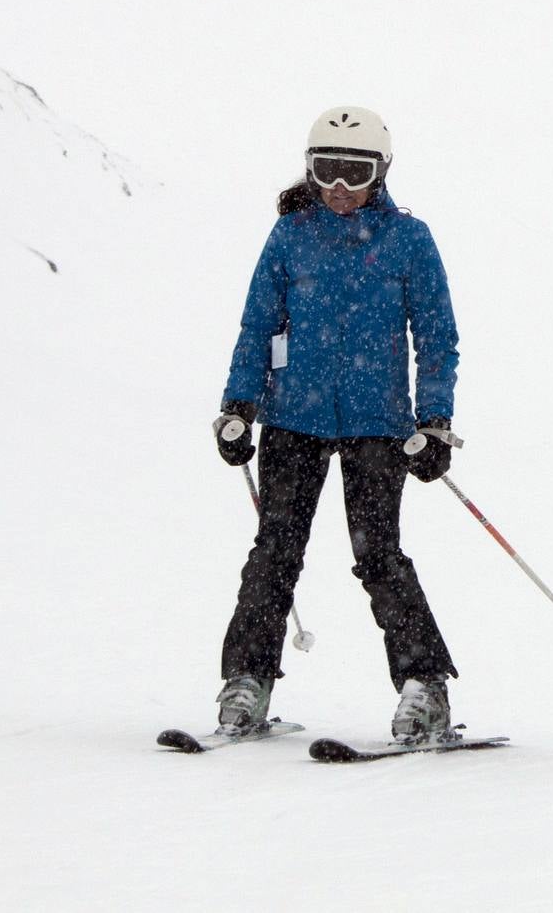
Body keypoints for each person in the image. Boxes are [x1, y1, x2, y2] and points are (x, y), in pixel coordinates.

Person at [210, 106, 464, 745]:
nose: (341, 188)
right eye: (327, 170)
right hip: (293, 420)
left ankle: (423, 686)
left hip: (379, 426)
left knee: (377, 554)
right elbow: (257, 326)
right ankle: (246, 679)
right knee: (275, 552)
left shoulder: (408, 239)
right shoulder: (291, 236)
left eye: (356, 172)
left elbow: (437, 336)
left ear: (381, 173)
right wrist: (240, 407)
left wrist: (434, 422)